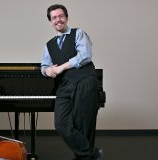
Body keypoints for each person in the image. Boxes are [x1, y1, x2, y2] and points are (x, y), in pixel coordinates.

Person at [41, 4, 103, 160]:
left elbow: (85, 55)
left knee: (84, 125)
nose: (58, 20)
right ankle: (91, 154)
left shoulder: (78, 33)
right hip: (64, 86)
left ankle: (82, 157)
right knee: (61, 124)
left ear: (66, 18)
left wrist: (61, 67)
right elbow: (44, 65)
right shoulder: (48, 45)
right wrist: (46, 71)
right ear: (50, 22)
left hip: (84, 81)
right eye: (54, 17)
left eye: (61, 16)